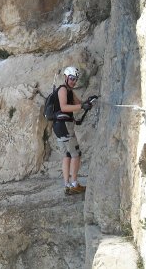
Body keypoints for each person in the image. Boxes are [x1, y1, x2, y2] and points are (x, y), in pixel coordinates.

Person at [52, 66, 93, 195]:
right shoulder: (63, 90)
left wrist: (88, 102)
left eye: (75, 79)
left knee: (67, 155)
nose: (73, 81)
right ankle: (74, 184)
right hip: (64, 126)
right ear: (66, 77)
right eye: (71, 78)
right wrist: (81, 105)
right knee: (76, 154)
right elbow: (64, 107)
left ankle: (67, 185)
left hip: (59, 126)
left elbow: (78, 104)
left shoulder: (68, 90)